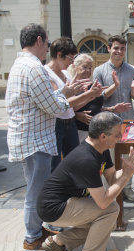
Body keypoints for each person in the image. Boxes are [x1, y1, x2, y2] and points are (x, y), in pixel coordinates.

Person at [5, 23, 89, 251]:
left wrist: (61, 95)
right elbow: (52, 105)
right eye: (48, 43)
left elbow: (42, 101)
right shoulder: (34, 68)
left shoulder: (19, 64)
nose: (48, 48)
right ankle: (32, 236)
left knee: (36, 187)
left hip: (28, 138)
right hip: (35, 141)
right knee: (37, 190)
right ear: (39, 41)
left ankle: (36, 230)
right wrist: (67, 94)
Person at [37, 112, 134, 251]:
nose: (121, 137)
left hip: (66, 203)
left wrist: (128, 170)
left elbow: (111, 178)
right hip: (54, 208)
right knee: (111, 210)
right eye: (118, 134)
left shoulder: (101, 149)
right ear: (103, 136)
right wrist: (126, 175)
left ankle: (57, 243)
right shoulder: (86, 159)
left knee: (104, 223)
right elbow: (104, 202)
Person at [93, 35, 134, 201]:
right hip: (107, 124)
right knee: (109, 160)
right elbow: (98, 97)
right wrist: (115, 86)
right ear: (109, 49)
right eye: (115, 48)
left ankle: (127, 189)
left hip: (128, 122)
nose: (119, 51)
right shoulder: (99, 71)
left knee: (128, 158)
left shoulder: (132, 70)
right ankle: (112, 192)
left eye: (122, 48)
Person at [45, 37, 103, 172]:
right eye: (70, 59)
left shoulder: (66, 73)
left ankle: (74, 191)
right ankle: (58, 192)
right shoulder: (47, 74)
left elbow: (72, 106)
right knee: (56, 165)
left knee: (76, 162)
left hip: (70, 124)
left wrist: (91, 96)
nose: (71, 63)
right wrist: (88, 95)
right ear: (59, 55)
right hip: (56, 124)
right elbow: (60, 104)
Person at [71, 54, 131, 142]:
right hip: (80, 131)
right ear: (74, 67)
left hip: (98, 132)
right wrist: (76, 115)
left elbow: (95, 105)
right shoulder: (72, 86)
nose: (88, 70)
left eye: (90, 68)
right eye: (84, 67)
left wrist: (112, 109)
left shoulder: (91, 85)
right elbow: (67, 108)